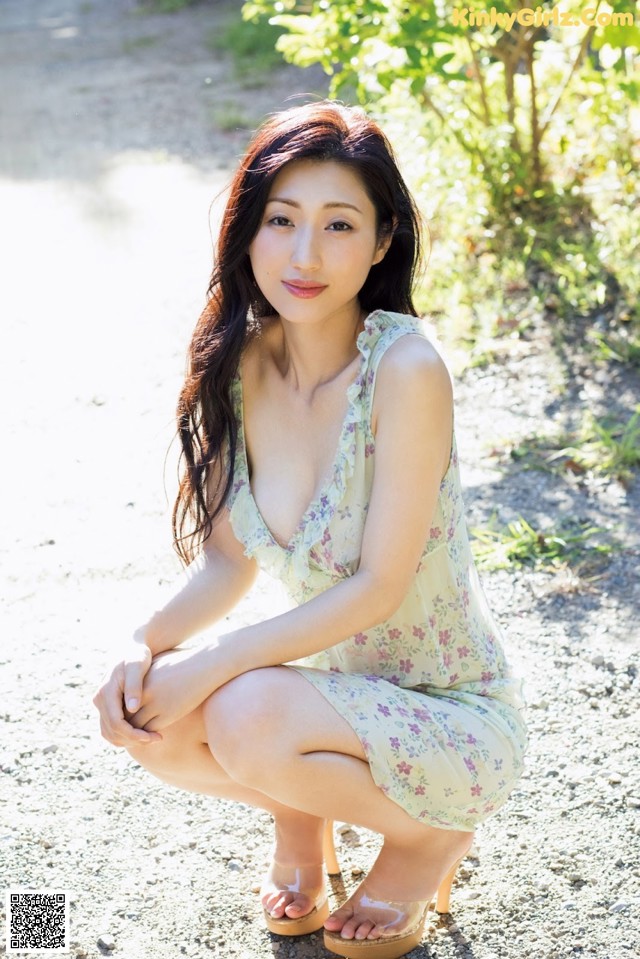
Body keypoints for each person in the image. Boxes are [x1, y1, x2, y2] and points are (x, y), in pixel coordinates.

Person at [93, 100, 527, 959]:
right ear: (247, 230)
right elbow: (227, 559)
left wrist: (214, 664)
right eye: (281, 220)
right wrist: (142, 647)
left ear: (381, 240)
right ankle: (304, 831)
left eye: (338, 225)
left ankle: (428, 837)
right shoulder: (242, 363)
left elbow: (379, 587)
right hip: (322, 700)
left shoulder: (405, 369)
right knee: (150, 709)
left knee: (242, 703)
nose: (303, 255)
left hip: (450, 719)